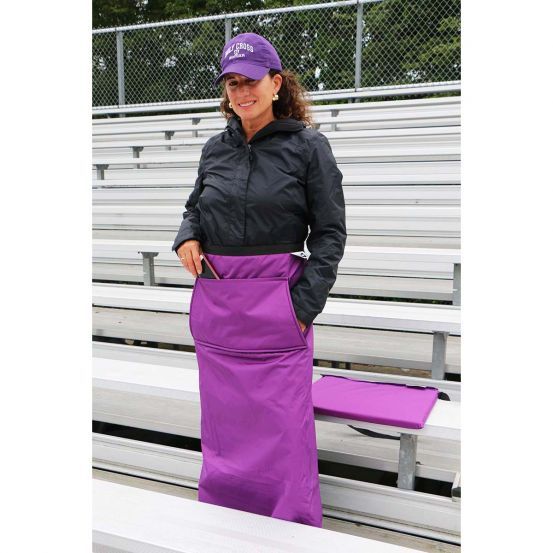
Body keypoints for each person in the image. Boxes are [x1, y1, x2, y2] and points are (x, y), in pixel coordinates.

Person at [173, 32, 346, 528]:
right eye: (232, 82)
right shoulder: (215, 148)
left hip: (277, 306)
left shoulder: (309, 147)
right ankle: (224, 522)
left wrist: (302, 306)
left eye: (251, 81)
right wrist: (187, 235)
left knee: (283, 429)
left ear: (276, 83)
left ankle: (288, 525)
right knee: (224, 426)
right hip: (219, 305)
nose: (241, 91)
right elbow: (195, 208)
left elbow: (330, 233)